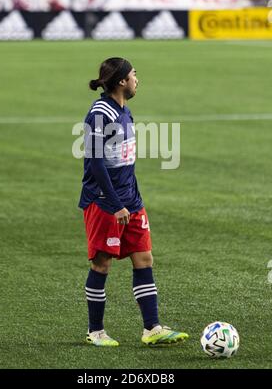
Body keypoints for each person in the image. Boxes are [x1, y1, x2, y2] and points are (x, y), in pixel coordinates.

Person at [78, 57, 189, 346]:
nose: (138, 80)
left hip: (131, 202)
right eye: (134, 75)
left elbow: (127, 162)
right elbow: (95, 162)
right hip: (104, 203)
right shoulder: (100, 113)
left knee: (143, 258)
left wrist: (134, 201)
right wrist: (115, 204)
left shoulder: (125, 112)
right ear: (121, 81)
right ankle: (96, 331)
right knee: (102, 265)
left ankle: (152, 328)